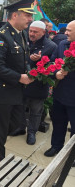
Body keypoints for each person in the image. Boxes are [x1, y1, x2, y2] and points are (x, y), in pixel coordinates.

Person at [0, 0, 36, 168]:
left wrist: (30, 71)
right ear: (14, 16)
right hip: (1, 92)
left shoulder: (22, 35)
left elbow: (22, 60)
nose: (30, 19)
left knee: (17, 124)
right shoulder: (1, 36)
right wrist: (20, 77)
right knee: (1, 129)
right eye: (27, 15)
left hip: (15, 90)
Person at [21, 21, 57, 145]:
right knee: (20, 109)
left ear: (43, 32)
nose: (31, 34)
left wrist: (40, 60)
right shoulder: (24, 40)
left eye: (35, 32)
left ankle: (31, 133)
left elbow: (53, 68)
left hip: (38, 87)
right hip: (22, 84)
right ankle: (20, 128)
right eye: (30, 31)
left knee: (36, 112)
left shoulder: (51, 46)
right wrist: (29, 59)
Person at [44, 20, 75, 157]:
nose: (65, 32)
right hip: (60, 94)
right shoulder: (62, 44)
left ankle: (72, 155)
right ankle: (56, 146)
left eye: (69, 30)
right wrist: (56, 73)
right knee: (58, 123)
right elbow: (52, 62)